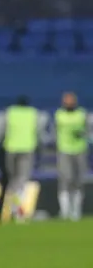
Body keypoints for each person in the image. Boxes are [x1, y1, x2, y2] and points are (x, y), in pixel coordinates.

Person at [2, 95, 39, 221]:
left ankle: (12, 209)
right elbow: (38, 131)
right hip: (27, 149)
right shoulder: (33, 113)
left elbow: (1, 130)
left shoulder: (10, 112)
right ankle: (18, 211)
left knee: (13, 181)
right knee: (22, 180)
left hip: (11, 148)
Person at [55, 92, 89, 220]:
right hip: (65, 150)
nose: (69, 103)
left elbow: (87, 130)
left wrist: (82, 133)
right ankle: (65, 211)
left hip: (80, 150)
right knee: (66, 179)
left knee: (79, 180)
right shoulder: (59, 114)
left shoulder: (82, 114)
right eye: (67, 101)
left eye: (71, 101)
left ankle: (76, 211)